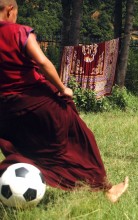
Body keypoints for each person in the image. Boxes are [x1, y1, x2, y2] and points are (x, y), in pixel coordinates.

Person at [0, 0, 128, 203]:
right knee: (80, 136)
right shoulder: (19, 32)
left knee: (24, 148)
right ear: (10, 10)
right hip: (35, 100)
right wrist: (62, 88)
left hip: (5, 111)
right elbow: (42, 62)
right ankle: (105, 188)